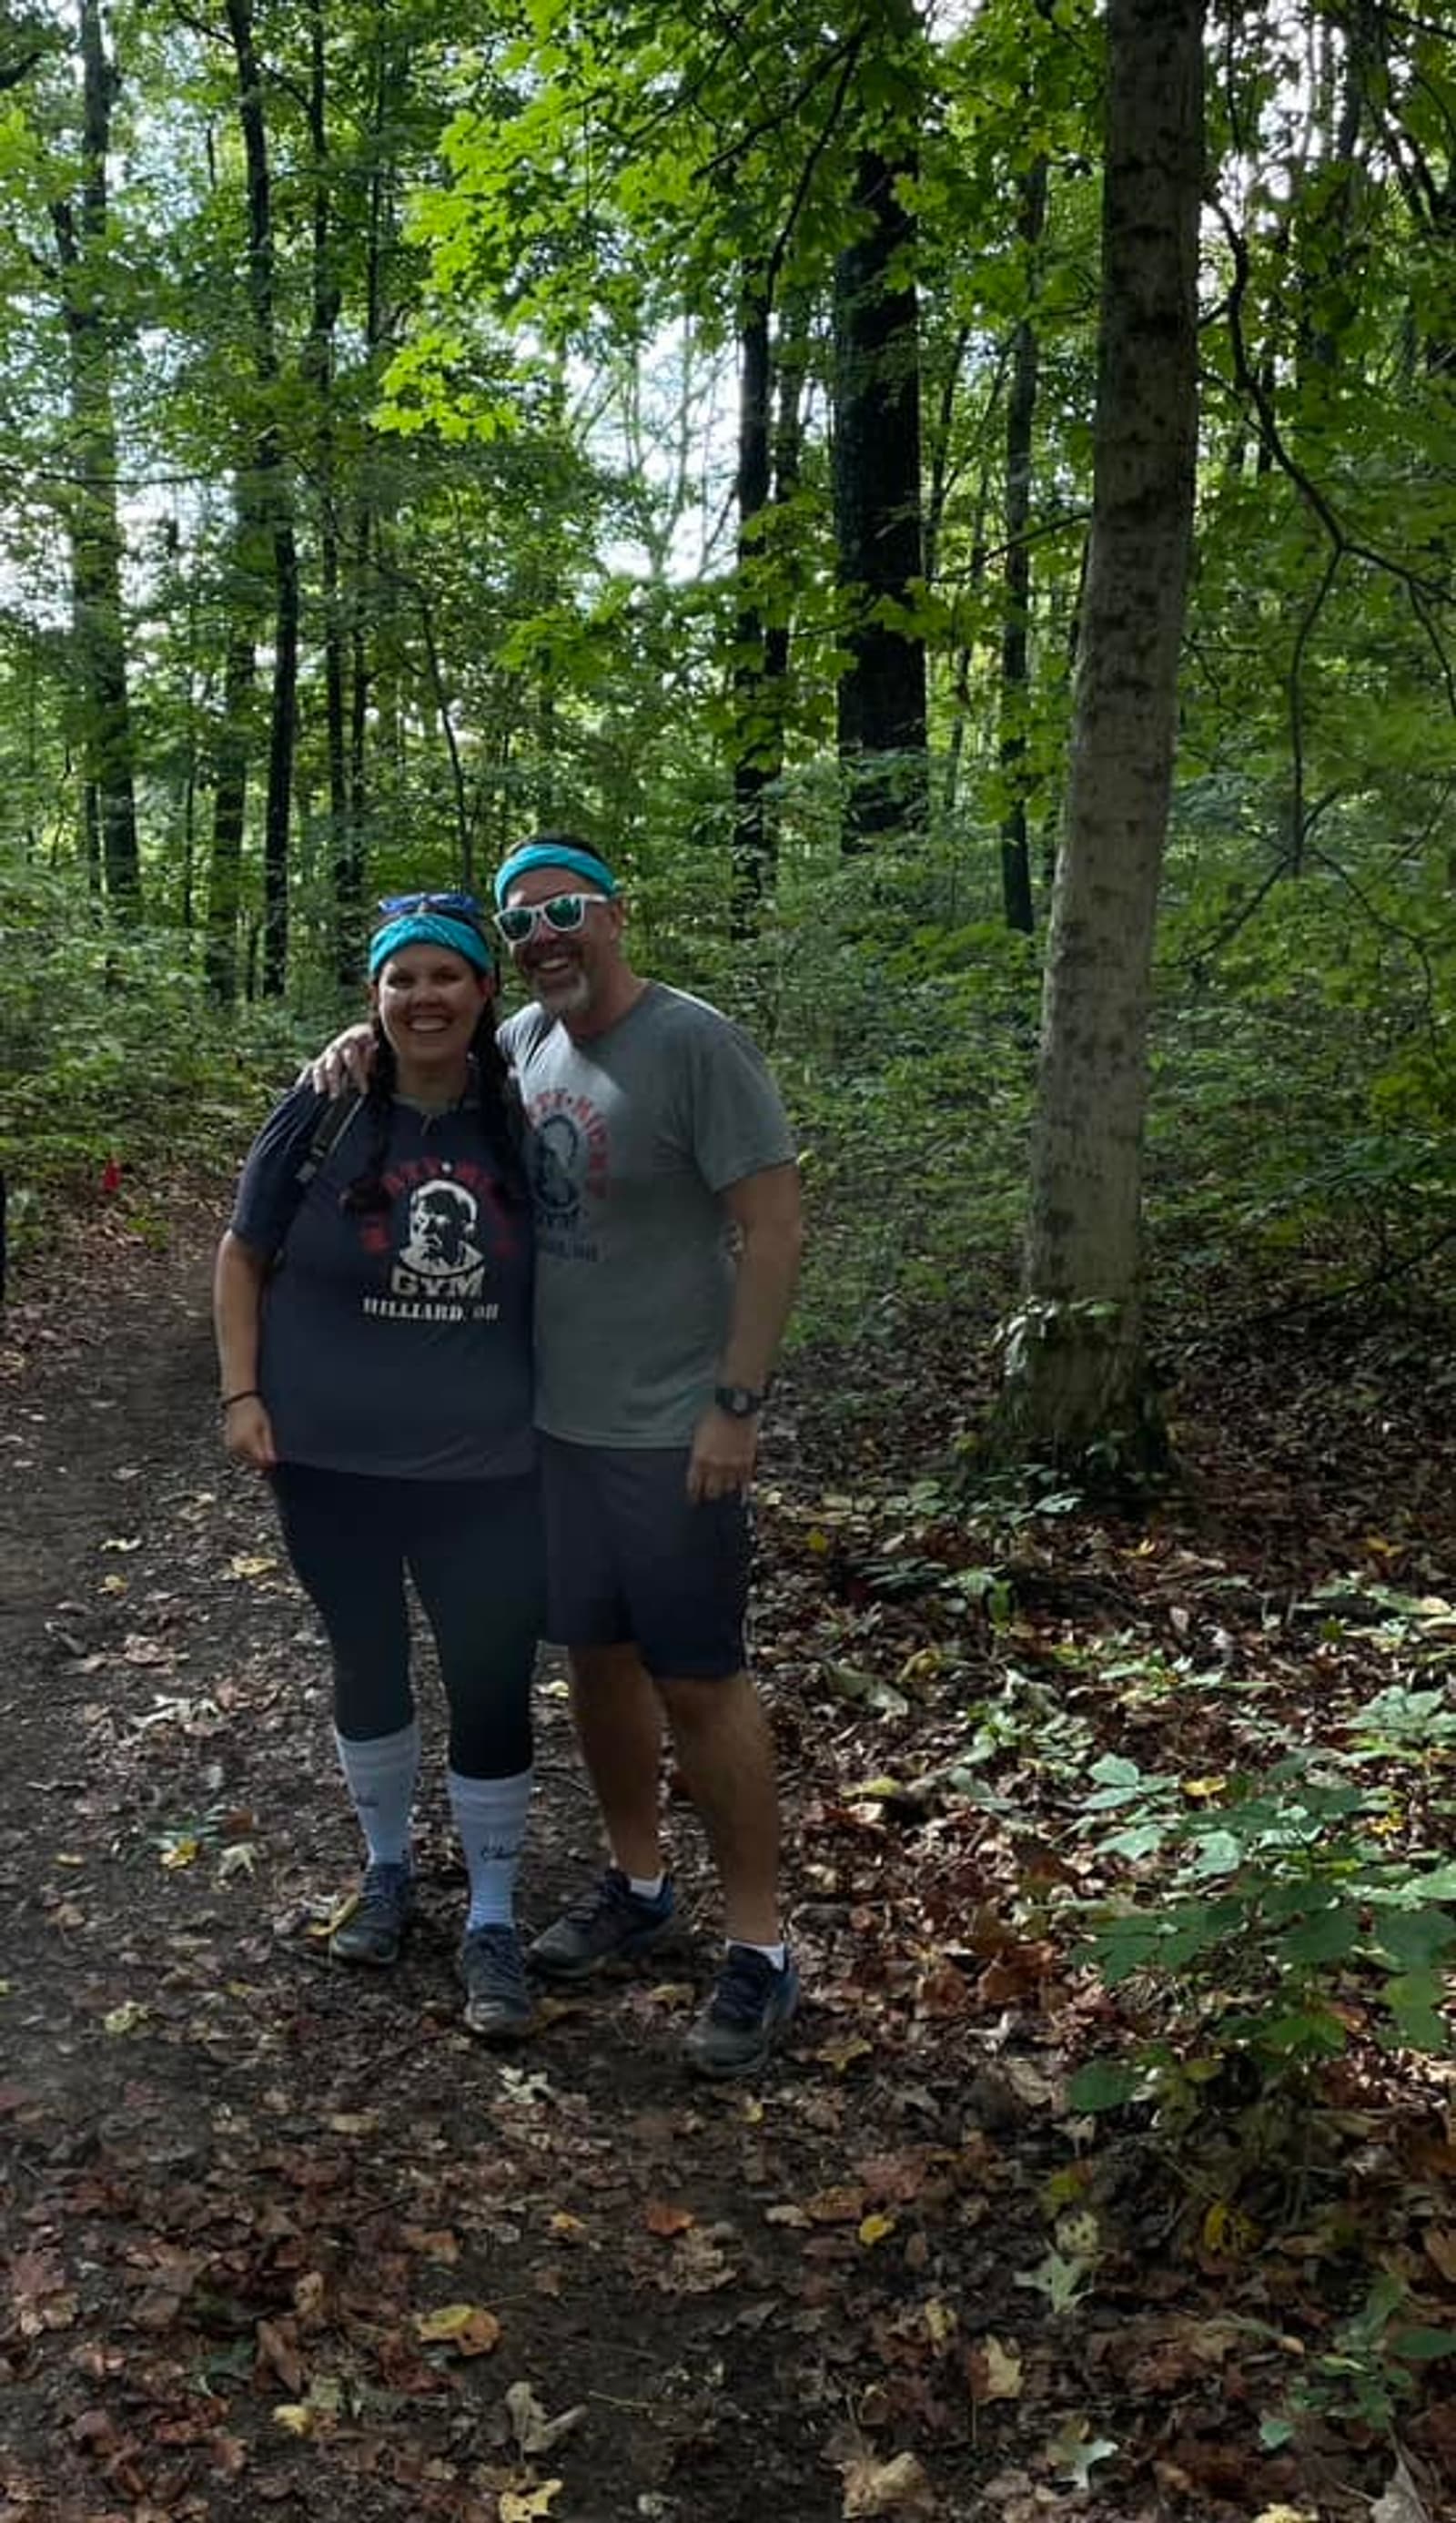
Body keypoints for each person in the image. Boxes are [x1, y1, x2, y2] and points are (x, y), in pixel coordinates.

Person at [313, 836, 804, 2077]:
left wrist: (735, 1403)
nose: (545, 936)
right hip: (550, 1435)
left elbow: (775, 1223)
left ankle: (762, 1950)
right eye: (521, 922)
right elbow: (425, 1056)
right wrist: (354, 1048)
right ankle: (638, 1886)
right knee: (595, 1662)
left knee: (700, 1679)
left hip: (669, 1433)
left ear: (614, 915)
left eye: (565, 910)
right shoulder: (525, 1046)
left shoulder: (695, 1044)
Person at [214, 893, 543, 2041]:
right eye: (401, 980)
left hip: (490, 1466)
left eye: (446, 976)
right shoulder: (323, 1110)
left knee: (490, 1678)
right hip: (332, 1460)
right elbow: (243, 1252)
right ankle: (389, 1869)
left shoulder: (521, 1106)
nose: (423, 998)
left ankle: (493, 1917)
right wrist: (243, 1393)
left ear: (483, 993)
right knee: (366, 1658)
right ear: (373, 997)